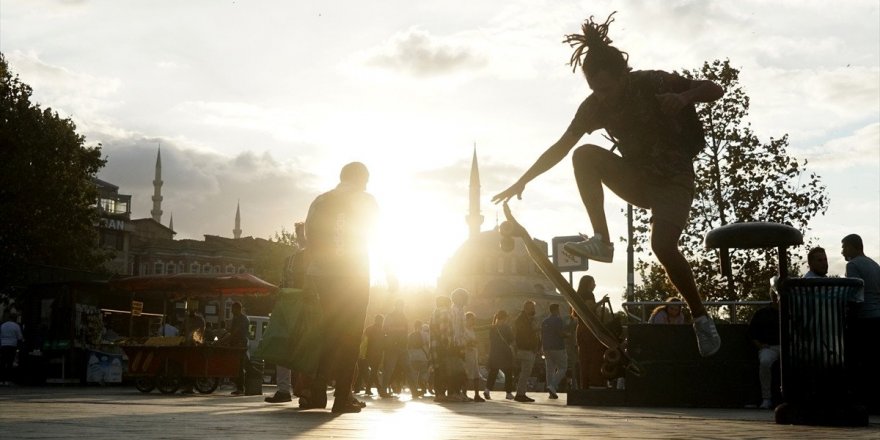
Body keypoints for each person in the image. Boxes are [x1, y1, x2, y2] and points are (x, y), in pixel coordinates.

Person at [492, 12, 725, 358]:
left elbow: (714, 88)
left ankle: (701, 318)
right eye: (595, 90)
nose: (603, 97)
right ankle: (601, 240)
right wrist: (522, 180)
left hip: (674, 178)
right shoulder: (593, 107)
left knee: (662, 246)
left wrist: (684, 98)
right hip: (637, 178)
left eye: (607, 88)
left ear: (622, 76)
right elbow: (560, 147)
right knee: (584, 155)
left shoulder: (652, 82)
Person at [304, 161, 379, 414]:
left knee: (329, 331)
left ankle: (316, 393)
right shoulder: (366, 200)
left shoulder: (320, 200)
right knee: (351, 335)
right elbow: (374, 234)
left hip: (323, 274)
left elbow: (309, 235)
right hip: (353, 274)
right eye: (366, 179)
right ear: (361, 179)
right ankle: (342, 398)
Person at [841, 234, 880, 410]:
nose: (842, 252)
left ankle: (861, 401)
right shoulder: (874, 265)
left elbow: (855, 295)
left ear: (853, 247)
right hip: (877, 317)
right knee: (874, 361)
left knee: (858, 361)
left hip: (863, 319)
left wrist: (848, 319)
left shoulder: (853, 265)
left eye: (844, 247)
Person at [572, 276, 609, 389]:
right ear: (588, 283)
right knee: (593, 356)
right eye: (593, 283)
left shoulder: (577, 295)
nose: (595, 285)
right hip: (589, 328)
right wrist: (602, 302)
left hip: (580, 328)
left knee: (583, 357)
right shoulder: (588, 294)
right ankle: (595, 382)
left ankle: (584, 384)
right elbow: (589, 309)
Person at [747, 283, 780, 410]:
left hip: (789, 347)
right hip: (769, 348)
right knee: (765, 362)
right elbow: (751, 333)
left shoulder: (792, 311)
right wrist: (760, 346)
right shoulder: (762, 313)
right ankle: (766, 398)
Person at [380, 299, 409, 398]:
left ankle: (414, 391)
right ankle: (383, 390)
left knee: (409, 368)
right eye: (400, 306)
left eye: (402, 306)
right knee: (389, 369)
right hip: (392, 346)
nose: (401, 308)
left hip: (402, 346)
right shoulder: (390, 316)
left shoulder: (403, 316)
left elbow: (406, 330)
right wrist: (397, 329)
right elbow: (384, 329)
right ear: (396, 306)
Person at [484, 310, 515, 401]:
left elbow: (491, 341)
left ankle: (487, 390)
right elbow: (511, 339)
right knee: (508, 372)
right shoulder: (507, 327)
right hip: (505, 353)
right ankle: (508, 393)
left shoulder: (493, 327)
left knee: (493, 372)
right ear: (505, 317)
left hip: (494, 353)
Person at [513, 300, 540, 402]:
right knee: (525, 373)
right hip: (525, 349)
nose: (534, 310)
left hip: (528, 349)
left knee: (525, 373)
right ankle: (520, 394)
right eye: (532, 308)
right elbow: (524, 334)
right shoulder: (522, 320)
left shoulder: (527, 319)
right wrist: (534, 329)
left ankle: (521, 393)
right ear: (526, 308)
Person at [430, 295, 454, 402]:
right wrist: (446, 343)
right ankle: (441, 393)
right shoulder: (444, 312)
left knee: (437, 369)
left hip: (434, 345)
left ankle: (438, 393)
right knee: (444, 369)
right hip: (442, 345)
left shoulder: (434, 313)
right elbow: (444, 330)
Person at [541, 303, 568, 399]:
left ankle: (551, 393)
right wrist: (567, 335)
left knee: (549, 370)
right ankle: (552, 386)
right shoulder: (558, 320)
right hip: (558, 347)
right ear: (556, 310)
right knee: (563, 367)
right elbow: (560, 333)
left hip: (546, 348)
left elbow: (542, 335)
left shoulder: (544, 321)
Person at [223, 301, 250, 396]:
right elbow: (231, 331)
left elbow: (235, 332)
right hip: (235, 344)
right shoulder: (235, 318)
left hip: (241, 345)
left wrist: (224, 340)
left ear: (238, 309)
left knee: (240, 366)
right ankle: (238, 386)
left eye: (232, 309)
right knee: (236, 365)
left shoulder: (243, 319)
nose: (231, 311)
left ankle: (240, 388)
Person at [361, 314, 385, 396]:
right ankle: (377, 388)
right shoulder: (382, 330)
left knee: (372, 372)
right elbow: (383, 343)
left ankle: (374, 388)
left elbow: (364, 341)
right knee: (374, 371)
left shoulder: (368, 329)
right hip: (377, 353)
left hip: (368, 353)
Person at [463, 311, 484, 402]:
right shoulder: (463, 330)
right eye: (472, 320)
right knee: (467, 375)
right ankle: (464, 394)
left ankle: (476, 394)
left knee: (476, 375)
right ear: (466, 320)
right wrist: (470, 343)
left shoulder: (472, 330)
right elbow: (463, 342)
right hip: (467, 355)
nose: (473, 322)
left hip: (474, 354)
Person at [407, 320, 430, 398]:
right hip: (422, 357)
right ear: (421, 326)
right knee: (423, 373)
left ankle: (415, 390)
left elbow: (407, 347)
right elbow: (428, 345)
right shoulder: (425, 334)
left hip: (412, 357)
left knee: (414, 375)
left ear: (414, 327)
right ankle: (423, 387)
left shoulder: (410, 335)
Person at [1, 312, 24, 386]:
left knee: (2, 362)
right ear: (15, 318)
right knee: (10, 362)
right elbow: (20, 337)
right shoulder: (16, 326)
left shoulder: (3, 325)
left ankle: (2, 380)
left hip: (3, 345)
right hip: (12, 345)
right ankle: (8, 380)